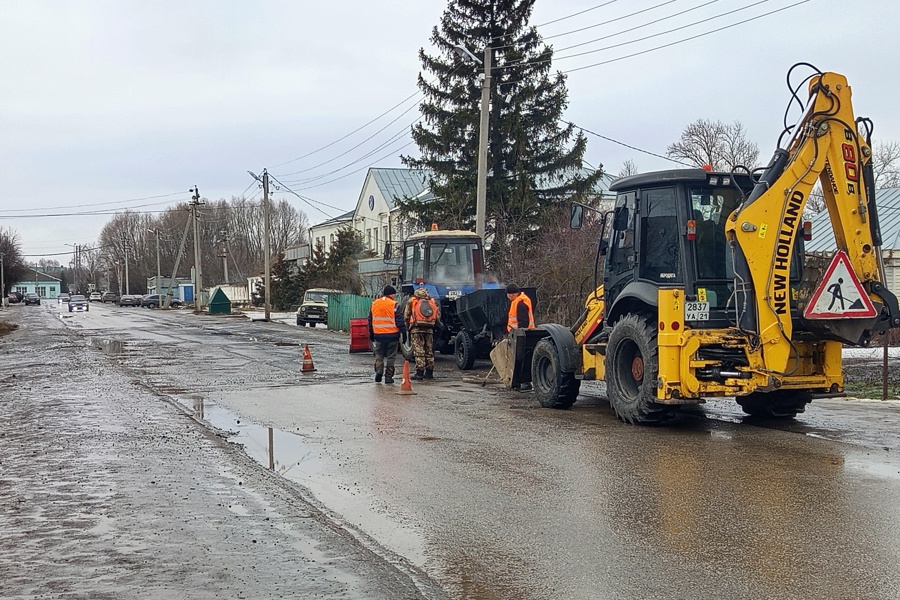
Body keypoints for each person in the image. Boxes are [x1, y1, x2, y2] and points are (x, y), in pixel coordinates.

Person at [368, 285, 407, 384]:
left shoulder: (374, 304)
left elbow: (370, 321)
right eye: (394, 294)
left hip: (378, 335)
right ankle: (388, 377)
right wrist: (404, 332)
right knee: (391, 356)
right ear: (391, 294)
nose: (395, 296)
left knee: (379, 354)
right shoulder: (394, 305)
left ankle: (379, 371)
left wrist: (371, 334)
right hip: (392, 335)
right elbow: (399, 320)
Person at [404, 286, 440, 380]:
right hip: (429, 329)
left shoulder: (412, 301)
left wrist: (407, 327)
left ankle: (419, 372)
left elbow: (406, 315)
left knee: (419, 350)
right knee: (429, 350)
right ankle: (429, 372)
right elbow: (438, 316)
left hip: (416, 329)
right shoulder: (432, 301)